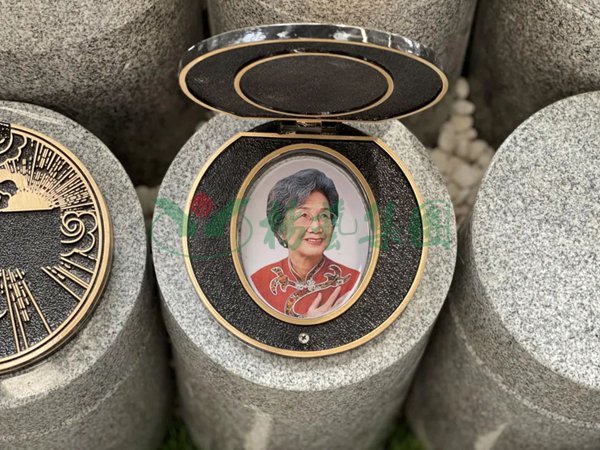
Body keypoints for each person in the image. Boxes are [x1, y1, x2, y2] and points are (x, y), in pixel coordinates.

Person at [251, 169, 360, 319]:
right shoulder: (259, 282)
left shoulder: (353, 283)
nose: (316, 227)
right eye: (304, 215)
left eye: (324, 215)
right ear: (281, 228)